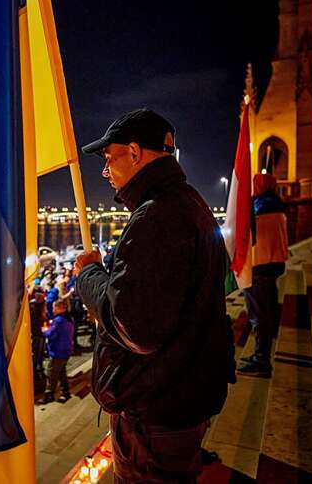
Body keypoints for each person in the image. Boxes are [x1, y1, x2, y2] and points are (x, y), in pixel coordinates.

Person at [74, 109, 234, 483]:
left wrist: (88, 275)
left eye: (108, 158)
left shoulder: (156, 217)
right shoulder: (189, 204)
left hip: (155, 415)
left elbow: (134, 326)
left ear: (134, 152)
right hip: (182, 397)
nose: (104, 170)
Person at [236, 173, 289, 378]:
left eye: (254, 184)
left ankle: (261, 360)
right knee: (265, 315)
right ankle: (261, 356)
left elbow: (249, 236)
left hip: (260, 267)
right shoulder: (276, 204)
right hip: (272, 265)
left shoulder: (260, 207)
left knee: (259, 317)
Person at [41, 300, 74, 403]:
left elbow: (51, 334)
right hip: (66, 349)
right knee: (61, 372)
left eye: (54, 307)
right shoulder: (69, 319)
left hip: (58, 351)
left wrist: (44, 331)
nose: (53, 310)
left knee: (51, 373)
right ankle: (65, 392)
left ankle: (49, 394)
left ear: (60, 308)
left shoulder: (59, 321)